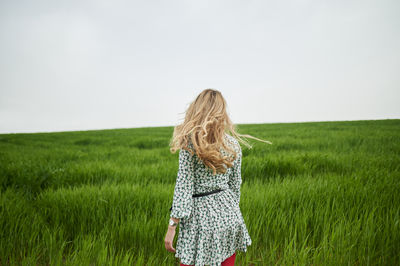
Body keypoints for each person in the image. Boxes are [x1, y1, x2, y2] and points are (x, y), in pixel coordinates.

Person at [164, 89, 272, 265]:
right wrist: (230, 212)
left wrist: (172, 226)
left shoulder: (190, 143)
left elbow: (184, 186)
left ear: (196, 109)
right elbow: (235, 185)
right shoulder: (233, 144)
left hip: (200, 221)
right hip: (230, 216)